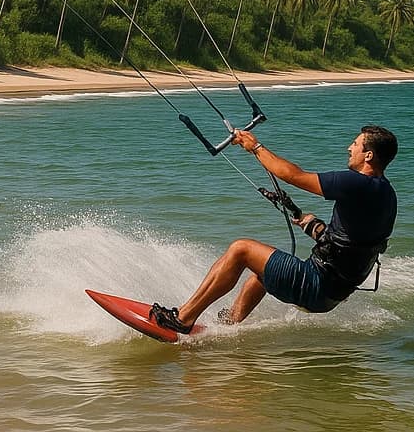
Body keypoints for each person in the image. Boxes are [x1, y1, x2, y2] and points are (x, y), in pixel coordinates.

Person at [149, 124, 398, 334]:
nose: (349, 148)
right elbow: (355, 242)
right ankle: (229, 325)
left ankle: (182, 318)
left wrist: (255, 147)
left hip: (315, 284)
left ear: (368, 156)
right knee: (262, 273)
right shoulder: (387, 194)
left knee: (241, 249)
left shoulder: (357, 182)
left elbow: (292, 175)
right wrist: (316, 227)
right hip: (332, 295)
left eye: (355, 144)